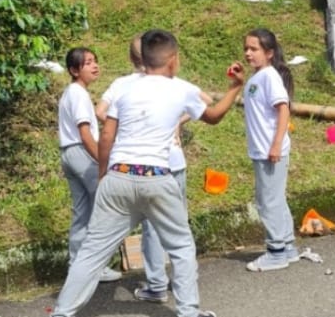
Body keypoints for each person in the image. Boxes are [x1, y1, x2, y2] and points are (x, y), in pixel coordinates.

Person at [49, 29, 243, 317]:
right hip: (156, 177)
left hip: (118, 175)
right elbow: (213, 117)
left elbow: (106, 136)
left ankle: (62, 312)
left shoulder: (124, 87)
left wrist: (103, 176)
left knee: (91, 252)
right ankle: (188, 312)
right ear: (173, 60)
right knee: (180, 247)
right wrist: (234, 88)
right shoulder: (180, 88)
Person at [99, 35, 212, 305]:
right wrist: (175, 119)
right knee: (180, 232)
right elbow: (206, 102)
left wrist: (126, 129)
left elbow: (101, 113)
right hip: (172, 164)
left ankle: (157, 284)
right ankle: (187, 297)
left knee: (151, 228)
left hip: (140, 169)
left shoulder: (123, 85)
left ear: (133, 59)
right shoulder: (174, 84)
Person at [226, 28, 298, 272]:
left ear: (269, 53)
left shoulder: (269, 76)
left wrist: (276, 143)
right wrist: (239, 80)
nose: (248, 53)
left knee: (267, 201)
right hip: (263, 149)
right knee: (275, 199)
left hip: (270, 150)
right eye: (246, 48)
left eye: (254, 49)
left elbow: (283, 108)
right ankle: (287, 246)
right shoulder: (258, 78)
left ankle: (276, 251)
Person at [57, 47, 122, 283]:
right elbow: (85, 134)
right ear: (75, 70)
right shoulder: (79, 94)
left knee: (82, 213)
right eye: (88, 63)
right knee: (103, 210)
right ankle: (97, 266)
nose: (95, 66)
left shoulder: (70, 93)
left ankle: (77, 266)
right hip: (82, 153)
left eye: (95, 61)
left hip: (68, 153)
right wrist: (102, 162)